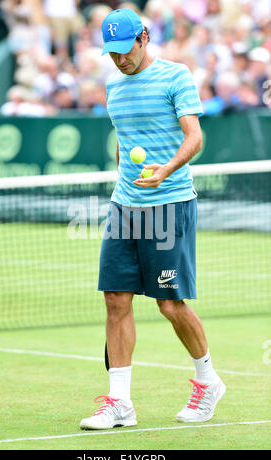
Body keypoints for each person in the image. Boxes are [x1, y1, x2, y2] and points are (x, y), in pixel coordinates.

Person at [80, 8, 226, 430]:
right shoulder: (111, 83)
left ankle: (207, 380)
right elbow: (129, 144)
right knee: (115, 298)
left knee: (169, 303)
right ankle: (119, 402)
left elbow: (194, 137)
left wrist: (166, 170)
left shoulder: (176, 76)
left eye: (125, 50)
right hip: (125, 206)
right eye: (112, 53)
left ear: (144, 38)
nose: (119, 60)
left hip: (170, 203)